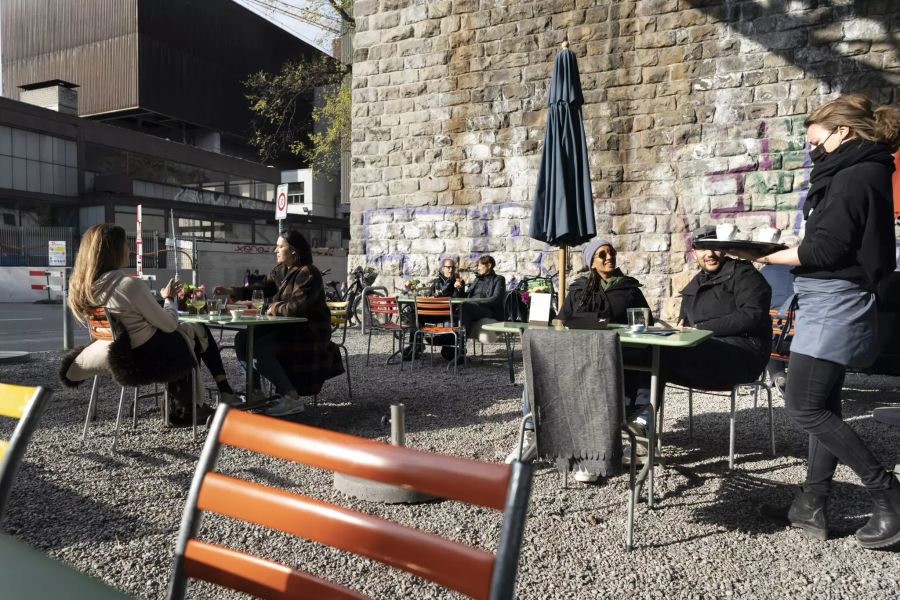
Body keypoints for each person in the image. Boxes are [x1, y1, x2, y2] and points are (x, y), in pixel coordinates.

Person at [748, 95, 900, 549]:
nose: (814, 150)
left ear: (844, 133)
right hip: (825, 300)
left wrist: (765, 255)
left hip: (837, 303)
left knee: (804, 406)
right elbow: (833, 240)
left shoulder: (855, 175)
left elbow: (827, 250)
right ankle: (810, 505)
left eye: (818, 141)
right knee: (824, 407)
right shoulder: (856, 171)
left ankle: (887, 491)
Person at [508, 240, 654, 482]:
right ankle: (531, 432)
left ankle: (594, 457)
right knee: (536, 366)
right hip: (579, 356)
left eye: (611, 253)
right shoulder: (579, 289)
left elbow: (645, 322)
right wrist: (542, 309)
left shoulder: (630, 290)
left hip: (616, 357)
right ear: (591, 262)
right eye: (602, 255)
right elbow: (560, 321)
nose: (609, 258)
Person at [65, 224, 230, 425]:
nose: (129, 248)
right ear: (114, 250)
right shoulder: (128, 285)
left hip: (119, 351)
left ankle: (187, 406)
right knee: (185, 335)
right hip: (141, 358)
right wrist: (168, 299)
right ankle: (187, 408)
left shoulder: (86, 288)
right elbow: (168, 323)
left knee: (183, 335)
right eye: (126, 243)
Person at [215, 230, 343, 417]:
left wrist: (274, 307)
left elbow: (296, 308)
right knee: (242, 339)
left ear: (293, 250)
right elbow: (261, 289)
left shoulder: (308, 273)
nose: (275, 250)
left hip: (307, 332)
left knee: (259, 349)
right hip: (285, 328)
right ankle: (255, 392)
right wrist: (232, 291)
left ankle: (291, 397)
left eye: (280, 246)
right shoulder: (280, 271)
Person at [402, 257, 465, 361]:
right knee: (415, 314)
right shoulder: (436, 282)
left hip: (448, 315)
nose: (451, 270)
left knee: (416, 314)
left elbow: (462, 299)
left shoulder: (459, 282)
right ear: (442, 268)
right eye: (448, 267)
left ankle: (416, 346)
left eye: (453, 267)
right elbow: (430, 297)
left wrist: (458, 289)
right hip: (434, 313)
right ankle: (416, 345)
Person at [448, 255, 506, 364]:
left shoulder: (499, 279)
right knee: (457, 308)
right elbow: (466, 295)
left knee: (464, 307)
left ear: (489, 265)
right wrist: (459, 288)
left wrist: (475, 302)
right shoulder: (477, 279)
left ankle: (457, 348)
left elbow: (495, 299)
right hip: (471, 308)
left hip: (489, 310)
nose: (478, 268)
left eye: (480, 265)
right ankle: (449, 341)